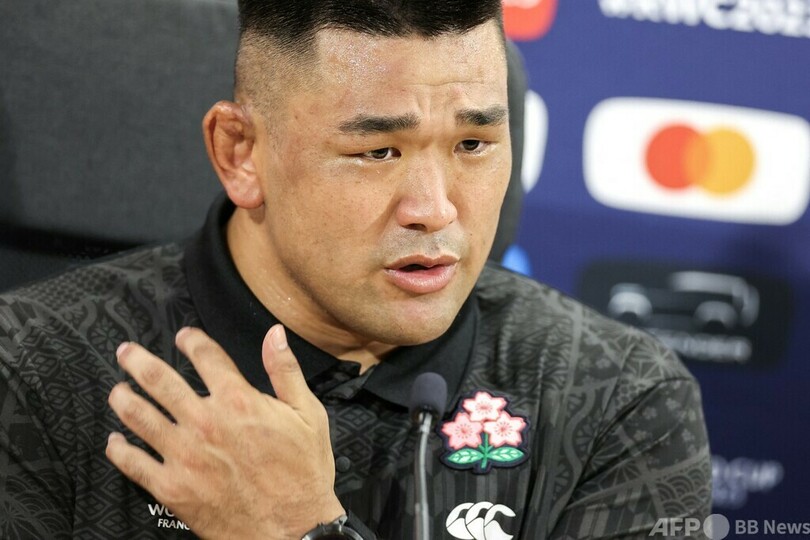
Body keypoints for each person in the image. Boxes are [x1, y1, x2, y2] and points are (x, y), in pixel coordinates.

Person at [0, 1, 711, 538]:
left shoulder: (618, 395)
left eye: (473, 143)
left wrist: (302, 530)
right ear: (240, 153)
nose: (435, 210)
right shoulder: (31, 368)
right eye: (378, 152)